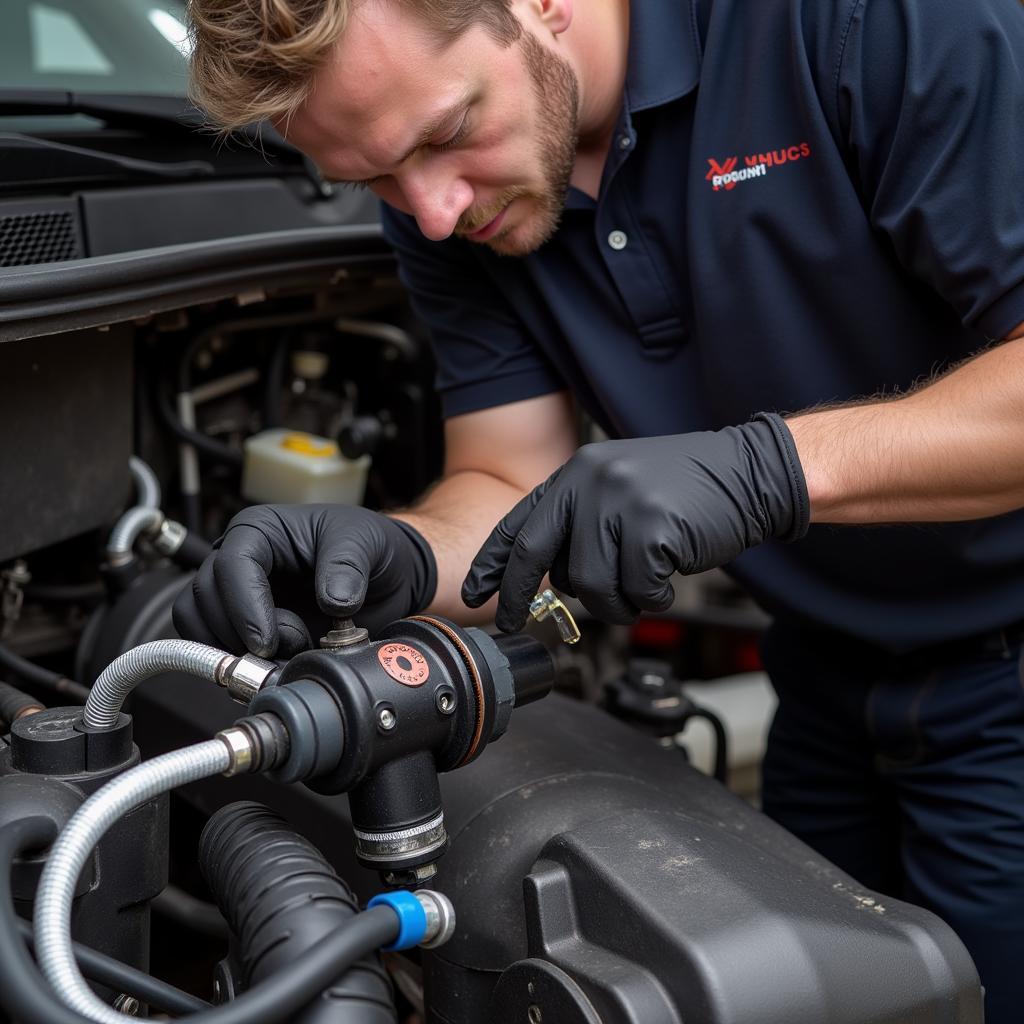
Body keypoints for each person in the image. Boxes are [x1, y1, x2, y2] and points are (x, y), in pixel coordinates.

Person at [177, 0, 1024, 1017]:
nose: (432, 211)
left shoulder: (862, 25)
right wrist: (395, 554)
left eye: (446, 134)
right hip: (826, 677)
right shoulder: (440, 205)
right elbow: (502, 478)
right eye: (373, 181)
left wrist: (764, 469)